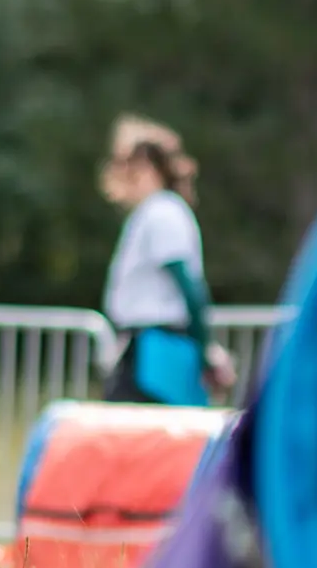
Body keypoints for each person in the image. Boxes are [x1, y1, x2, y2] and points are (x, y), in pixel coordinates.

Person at [97, 115, 236, 405]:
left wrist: (205, 349)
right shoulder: (153, 212)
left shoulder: (162, 213)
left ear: (146, 168)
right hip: (147, 350)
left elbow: (189, 286)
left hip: (156, 354)